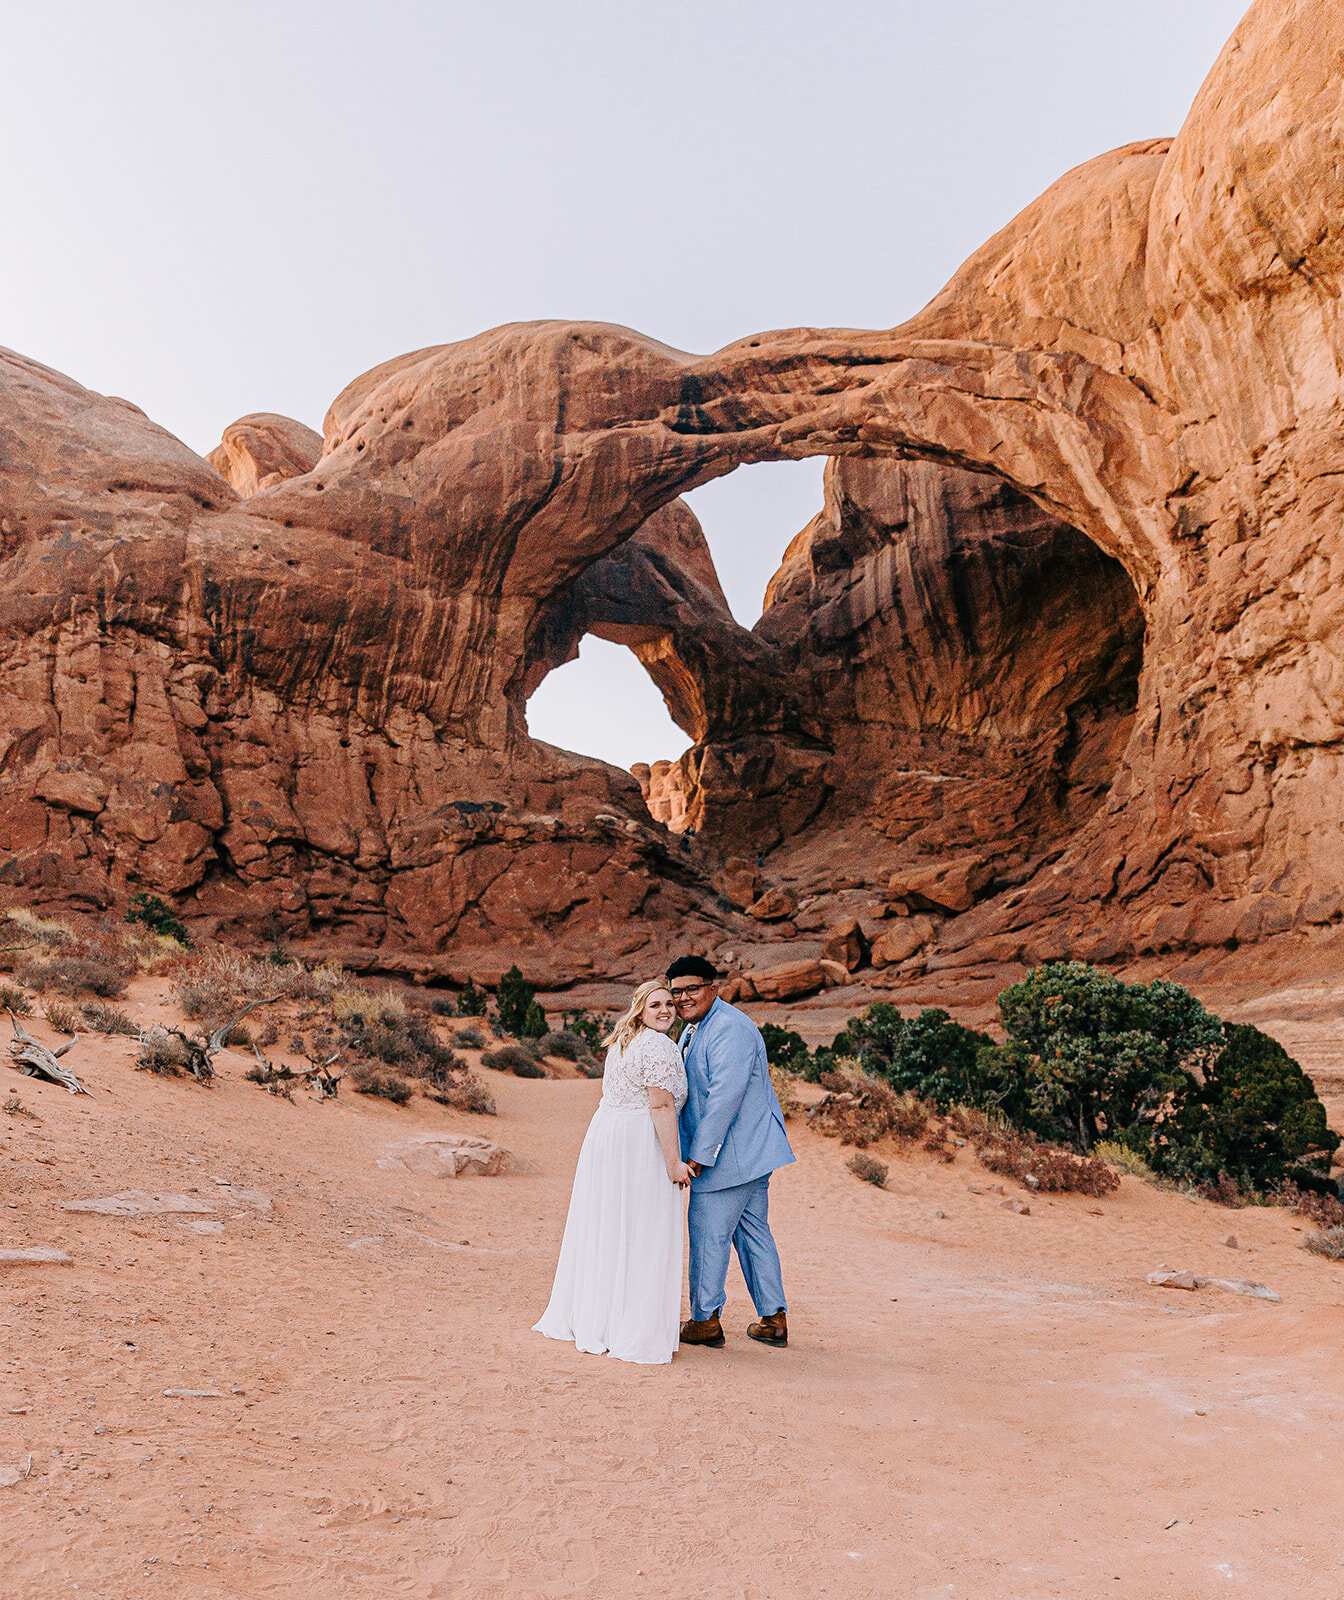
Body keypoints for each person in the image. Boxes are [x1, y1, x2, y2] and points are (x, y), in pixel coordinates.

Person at [533, 978, 690, 1364]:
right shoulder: (656, 1045)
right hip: (638, 1143)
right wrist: (673, 1162)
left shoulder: (624, 1040)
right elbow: (661, 1107)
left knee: (607, 1226)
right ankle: (632, 1328)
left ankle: (598, 1317)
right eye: (655, 1005)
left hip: (607, 1136)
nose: (665, 1010)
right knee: (643, 1228)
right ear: (640, 1008)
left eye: (669, 1003)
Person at [667, 954, 795, 1349]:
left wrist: (699, 1157)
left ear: (713, 988)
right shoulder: (697, 1027)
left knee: (708, 1234)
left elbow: (724, 1097)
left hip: (730, 1158)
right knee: (753, 1233)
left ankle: (704, 1321)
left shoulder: (730, 1028)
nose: (683, 998)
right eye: (676, 992)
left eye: (692, 989)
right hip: (749, 1154)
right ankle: (773, 1318)